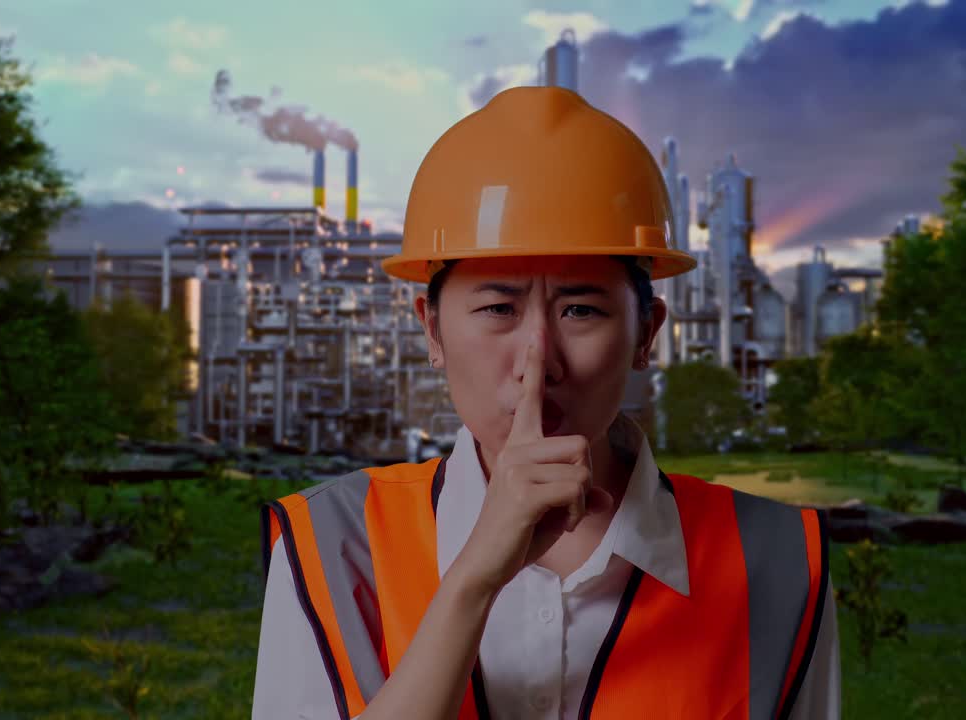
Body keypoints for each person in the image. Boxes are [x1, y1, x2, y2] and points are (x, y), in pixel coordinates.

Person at [252, 85, 840, 720]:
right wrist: (474, 579)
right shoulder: (334, 547)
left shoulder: (780, 559)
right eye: (498, 309)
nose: (539, 362)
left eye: (581, 310)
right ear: (432, 329)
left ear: (646, 333)